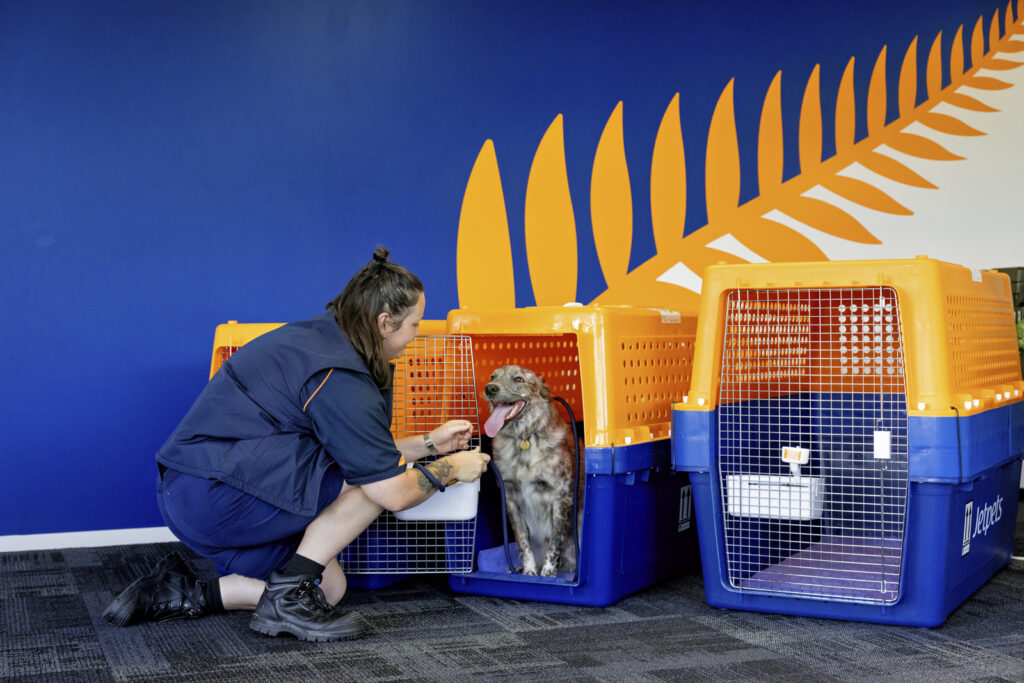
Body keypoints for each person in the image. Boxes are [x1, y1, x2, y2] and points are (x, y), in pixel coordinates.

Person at [103, 247, 491, 642]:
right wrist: (453, 468)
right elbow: (389, 490)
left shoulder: (331, 334)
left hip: (206, 487)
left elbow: (363, 449)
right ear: (385, 322)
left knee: (328, 590)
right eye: (415, 324)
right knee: (376, 483)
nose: (417, 333)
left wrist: (429, 443)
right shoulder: (338, 374)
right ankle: (287, 595)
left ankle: (186, 592)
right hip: (210, 493)